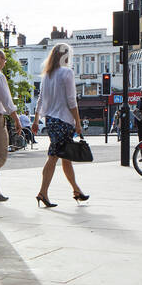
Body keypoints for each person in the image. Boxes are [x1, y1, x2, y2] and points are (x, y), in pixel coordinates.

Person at [34, 42, 88, 207]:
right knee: (54, 156)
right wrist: (78, 123)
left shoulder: (47, 75)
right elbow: (72, 101)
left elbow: (41, 99)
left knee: (66, 156)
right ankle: (43, 192)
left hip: (50, 120)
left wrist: (36, 120)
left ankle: (76, 190)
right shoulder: (67, 73)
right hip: (63, 121)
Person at [0, 48, 23, 201]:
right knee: (1, 156)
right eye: (4, 60)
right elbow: (7, 101)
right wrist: (16, 119)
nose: (4, 63)